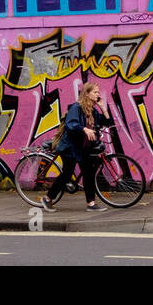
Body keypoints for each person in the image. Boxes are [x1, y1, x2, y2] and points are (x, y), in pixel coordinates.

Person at [42, 82, 114, 212]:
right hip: (69, 147)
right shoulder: (76, 108)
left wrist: (102, 107)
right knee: (67, 174)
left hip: (83, 147)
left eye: (98, 92)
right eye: (95, 92)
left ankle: (91, 204)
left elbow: (107, 122)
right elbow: (71, 125)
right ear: (87, 94)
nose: (98, 94)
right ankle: (47, 198)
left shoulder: (92, 110)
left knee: (89, 173)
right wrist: (85, 129)